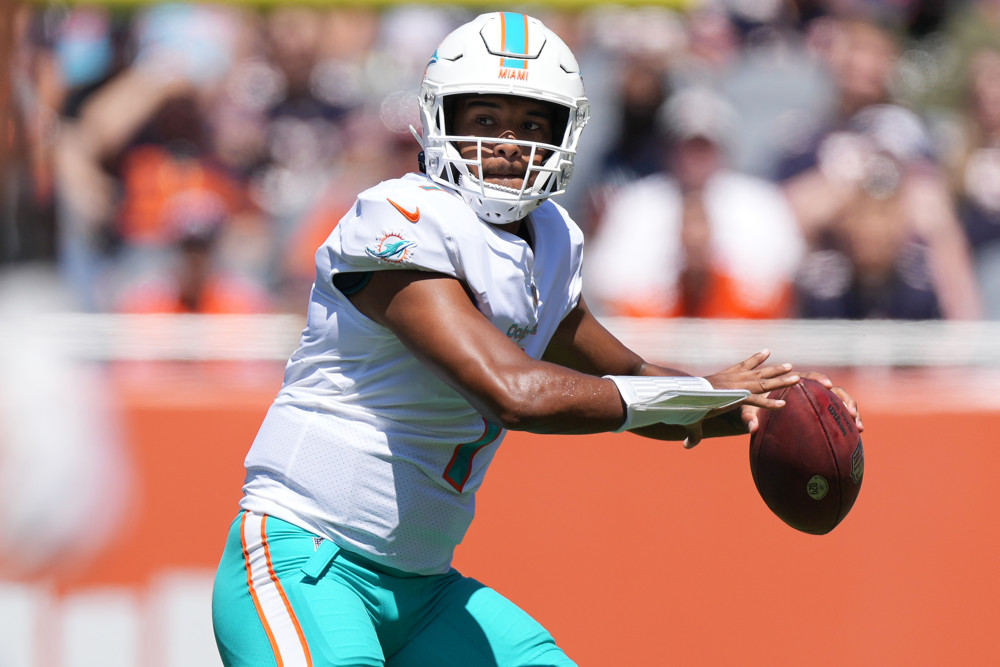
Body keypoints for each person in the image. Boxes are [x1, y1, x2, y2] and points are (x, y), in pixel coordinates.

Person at [211, 12, 862, 667]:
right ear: (439, 120)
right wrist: (699, 392)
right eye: (484, 119)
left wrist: (759, 407)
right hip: (307, 560)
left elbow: (631, 376)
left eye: (530, 125)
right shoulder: (397, 217)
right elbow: (511, 391)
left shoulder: (550, 239)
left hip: (423, 588)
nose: (507, 143)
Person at [585, 86, 804, 319]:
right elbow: (604, 283)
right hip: (653, 334)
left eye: (704, 146)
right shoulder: (635, 204)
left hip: (742, 329)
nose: (694, 156)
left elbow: (784, 278)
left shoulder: (762, 202)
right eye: (686, 145)